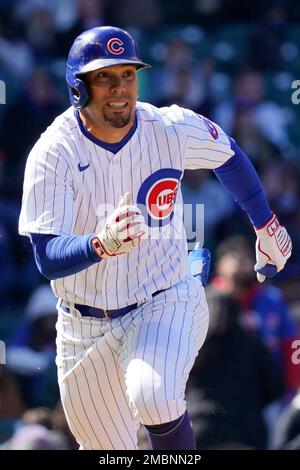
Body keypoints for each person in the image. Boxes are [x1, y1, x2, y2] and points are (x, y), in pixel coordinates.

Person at [18, 26, 292, 450]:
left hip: (164, 297)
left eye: (127, 74)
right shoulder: (54, 152)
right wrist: (100, 243)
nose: (120, 88)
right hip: (83, 326)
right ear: (77, 88)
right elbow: (45, 256)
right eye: (105, 77)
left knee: (153, 393)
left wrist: (265, 224)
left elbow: (230, 154)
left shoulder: (167, 126)